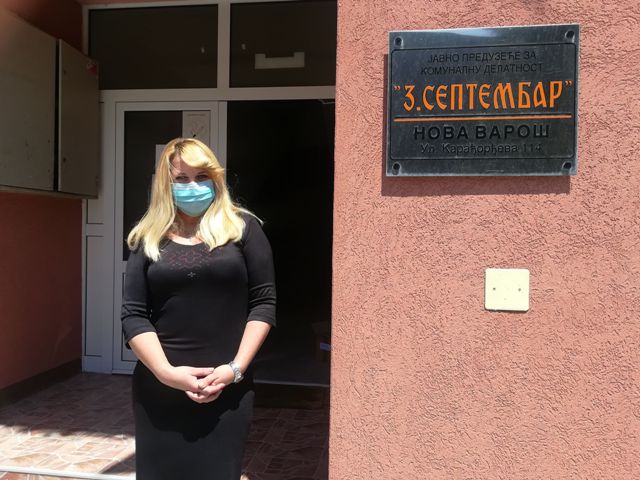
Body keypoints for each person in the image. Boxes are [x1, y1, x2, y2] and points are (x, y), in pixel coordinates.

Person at [121, 137, 276, 479]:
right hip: (160, 391)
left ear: (215, 179)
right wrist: (167, 374)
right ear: (166, 184)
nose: (193, 186)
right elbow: (133, 315)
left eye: (202, 176)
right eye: (182, 178)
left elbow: (263, 303)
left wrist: (235, 369)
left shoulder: (243, 229)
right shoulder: (147, 237)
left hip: (228, 388)